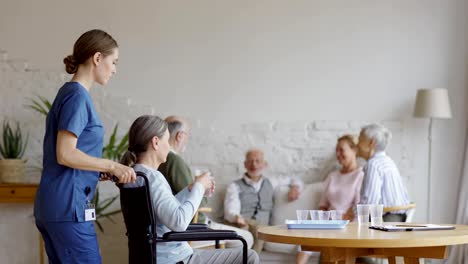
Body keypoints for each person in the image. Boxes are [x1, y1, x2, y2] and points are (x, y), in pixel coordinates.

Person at [34, 29, 136, 263]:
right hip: (68, 208)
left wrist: (95, 170)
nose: (115, 69)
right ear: (97, 58)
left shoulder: (69, 94)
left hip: (58, 206)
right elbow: (65, 153)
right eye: (114, 62)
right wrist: (112, 166)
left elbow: (70, 155)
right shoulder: (77, 97)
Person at [121, 115, 259, 264]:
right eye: (166, 141)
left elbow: (165, 211)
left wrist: (190, 189)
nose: (168, 146)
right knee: (250, 255)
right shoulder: (154, 178)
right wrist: (199, 187)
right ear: (155, 142)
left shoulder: (135, 176)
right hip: (176, 259)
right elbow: (179, 222)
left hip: (152, 258)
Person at [158, 115, 254, 248]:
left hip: (173, 226)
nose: (187, 139)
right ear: (179, 136)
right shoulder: (174, 161)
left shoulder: (160, 161)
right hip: (192, 226)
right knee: (246, 237)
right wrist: (203, 190)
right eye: (187, 135)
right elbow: (195, 201)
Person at [296, 135, 364, 264]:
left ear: (354, 150)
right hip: (328, 222)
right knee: (305, 240)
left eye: (341, 150)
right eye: (336, 150)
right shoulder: (332, 176)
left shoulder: (360, 175)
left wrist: (338, 224)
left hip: (348, 224)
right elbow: (323, 204)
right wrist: (321, 222)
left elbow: (358, 207)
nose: (338, 154)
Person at [224, 148, 303, 252]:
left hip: (261, 225)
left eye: (258, 161)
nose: (254, 165)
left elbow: (295, 179)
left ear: (264, 164)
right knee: (259, 230)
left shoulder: (271, 181)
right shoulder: (234, 186)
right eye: (250, 161)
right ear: (245, 164)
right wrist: (237, 218)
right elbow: (231, 209)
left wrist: (295, 188)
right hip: (241, 222)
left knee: (261, 230)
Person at [357, 123, 410, 222]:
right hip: (400, 217)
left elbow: (369, 203)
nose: (357, 144)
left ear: (371, 143)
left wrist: (354, 213)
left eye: (360, 139)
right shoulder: (387, 160)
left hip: (387, 220)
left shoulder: (373, 164)